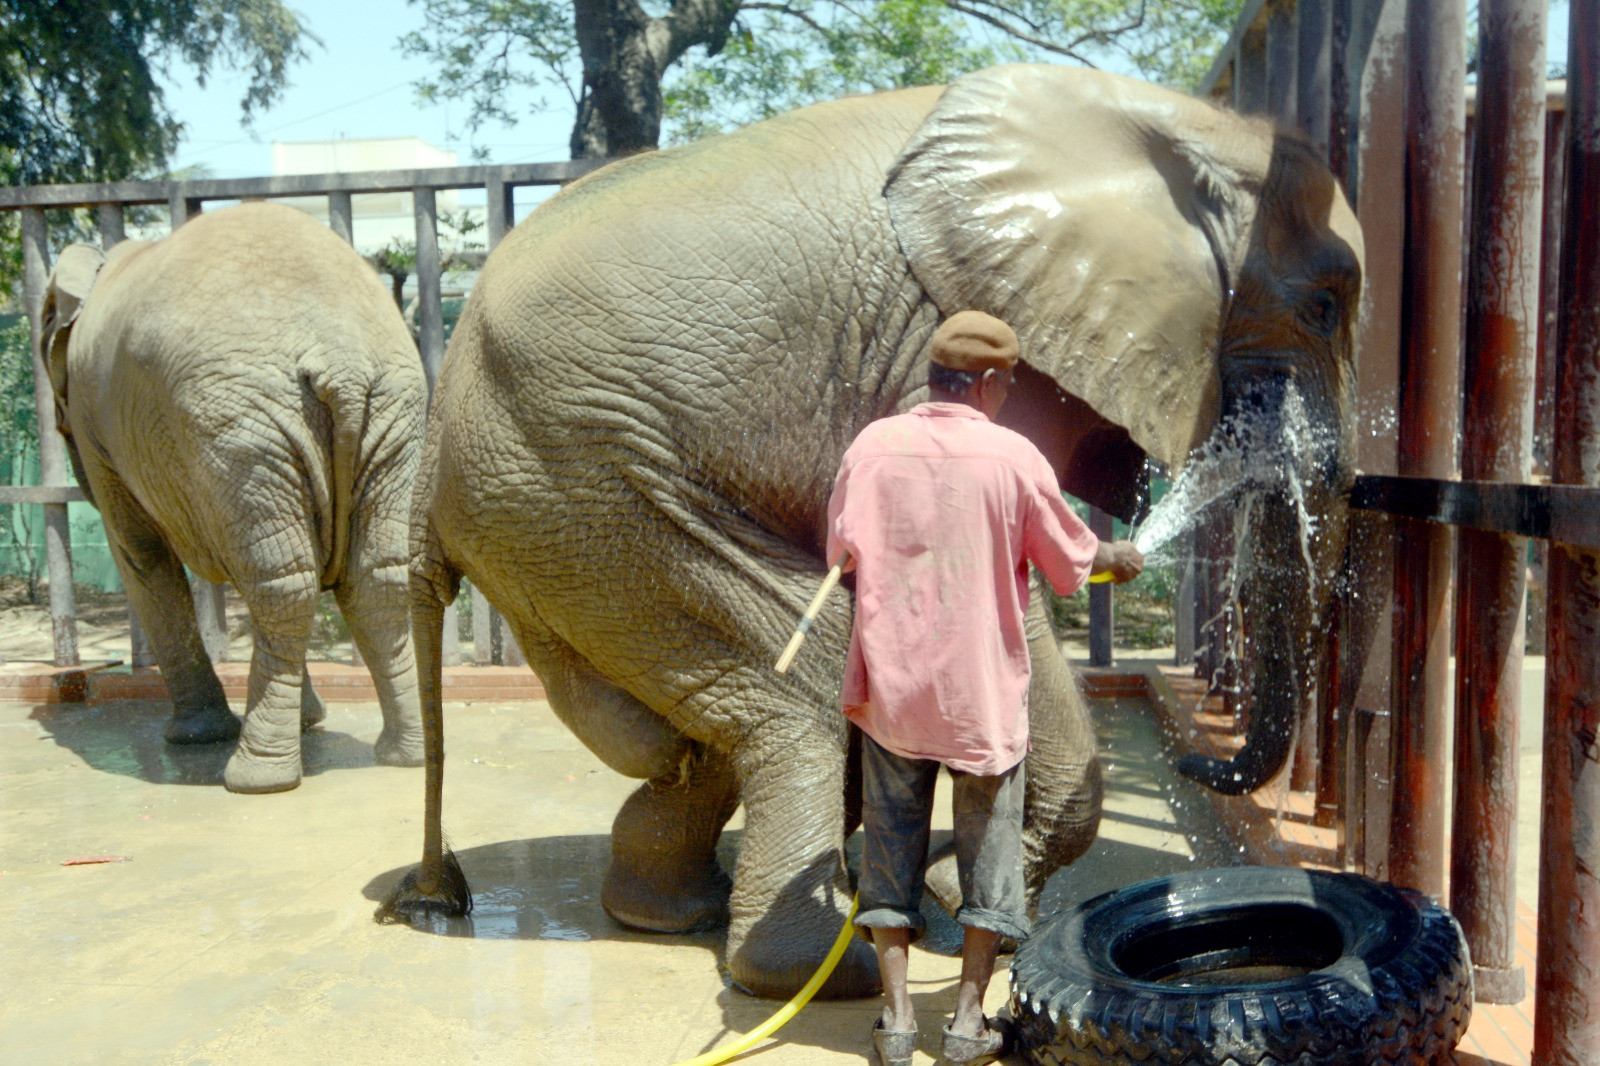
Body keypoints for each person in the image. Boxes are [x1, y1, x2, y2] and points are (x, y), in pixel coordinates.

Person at [825, 310, 1143, 1066]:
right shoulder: (1012, 458)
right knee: (992, 869)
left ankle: (896, 1025)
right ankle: (967, 1028)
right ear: (992, 384)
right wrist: (1117, 556)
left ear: (934, 376)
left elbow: (841, 548)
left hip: (893, 697)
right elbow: (1073, 560)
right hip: (980, 703)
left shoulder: (873, 447)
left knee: (887, 858)